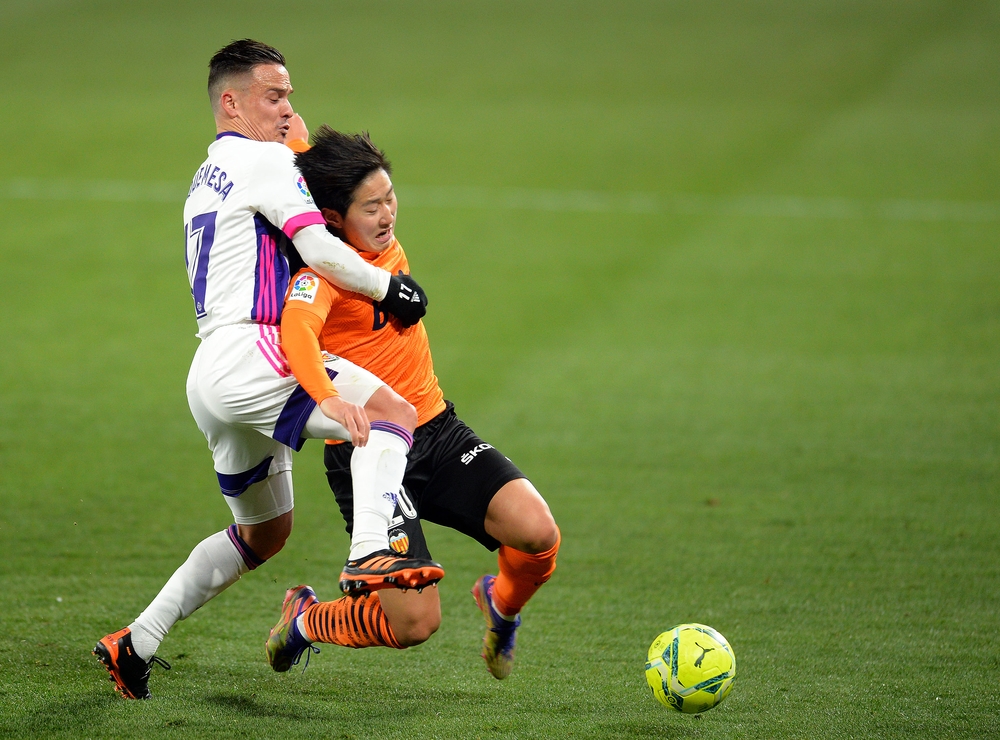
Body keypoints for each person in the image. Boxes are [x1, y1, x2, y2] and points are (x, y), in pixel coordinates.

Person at [93, 39, 444, 701]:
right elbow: (318, 247)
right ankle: (371, 549)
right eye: (273, 96)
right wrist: (388, 288)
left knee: (264, 531)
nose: (288, 108)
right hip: (257, 351)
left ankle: (135, 641)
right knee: (392, 413)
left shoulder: (212, 173)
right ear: (231, 102)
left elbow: (289, 193)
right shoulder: (261, 162)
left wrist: (295, 146)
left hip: (211, 374)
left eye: (289, 95)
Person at [265, 126, 560, 680]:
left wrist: (284, 117)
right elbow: (296, 336)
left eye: (390, 197)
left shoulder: (371, 240)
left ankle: (501, 603)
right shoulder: (318, 273)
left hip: (439, 433)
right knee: (415, 625)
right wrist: (327, 398)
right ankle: (305, 620)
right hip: (369, 455)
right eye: (370, 206)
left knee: (539, 535)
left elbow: (297, 140)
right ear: (330, 217)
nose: (387, 214)